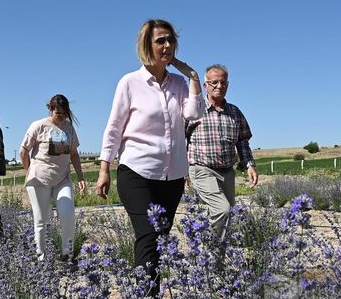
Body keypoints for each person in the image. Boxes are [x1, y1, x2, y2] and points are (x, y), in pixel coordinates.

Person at [95, 19, 204, 294]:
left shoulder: (179, 83)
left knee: (161, 240)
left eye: (170, 40)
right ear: (147, 45)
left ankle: (147, 291)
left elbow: (194, 114)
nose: (167, 46)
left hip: (173, 175)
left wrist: (193, 78)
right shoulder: (129, 83)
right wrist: (104, 168)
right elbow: (114, 127)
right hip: (136, 171)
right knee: (147, 237)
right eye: (160, 41)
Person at [187, 64, 259, 241]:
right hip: (202, 169)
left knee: (226, 217)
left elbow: (242, 141)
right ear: (205, 86)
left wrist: (249, 165)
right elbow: (180, 139)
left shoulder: (234, 112)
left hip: (227, 171)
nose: (219, 86)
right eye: (214, 82)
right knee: (222, 209)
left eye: (223, 82)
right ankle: (208, 255)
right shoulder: (195, 110)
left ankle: (213, 263)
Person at [20, 94, 86, 260]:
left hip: (62, 179)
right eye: (58, 113)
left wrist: (81, 177)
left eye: (64, 114)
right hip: (39, 179)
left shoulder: (69, 128)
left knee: (68, 214)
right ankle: (41, 257)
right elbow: (23, 151)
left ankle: (67, 253)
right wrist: (29, 170)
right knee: (42, 219)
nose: (61, 117)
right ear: (50, 110)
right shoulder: (38, 126)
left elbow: (74, 154)